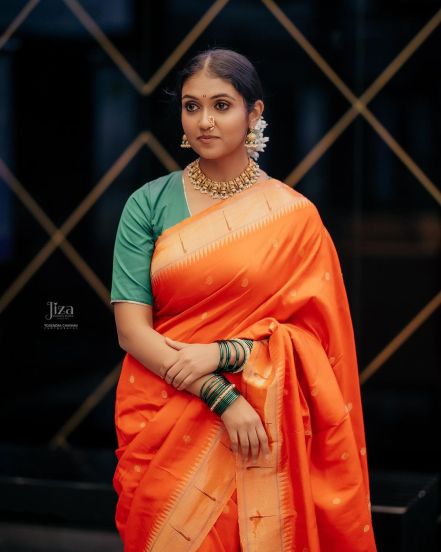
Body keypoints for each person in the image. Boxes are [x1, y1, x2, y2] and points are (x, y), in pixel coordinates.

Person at [110, 48, 377, 552]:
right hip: (166, 415)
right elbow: (132, 331)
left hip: (268, 420)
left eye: (221, 105)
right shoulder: (146, 204)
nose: (204, 121)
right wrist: (222, 395)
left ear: (254, 113)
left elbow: (316, 343)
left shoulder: (294, 217)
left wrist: (224, 352)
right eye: (191, 107)